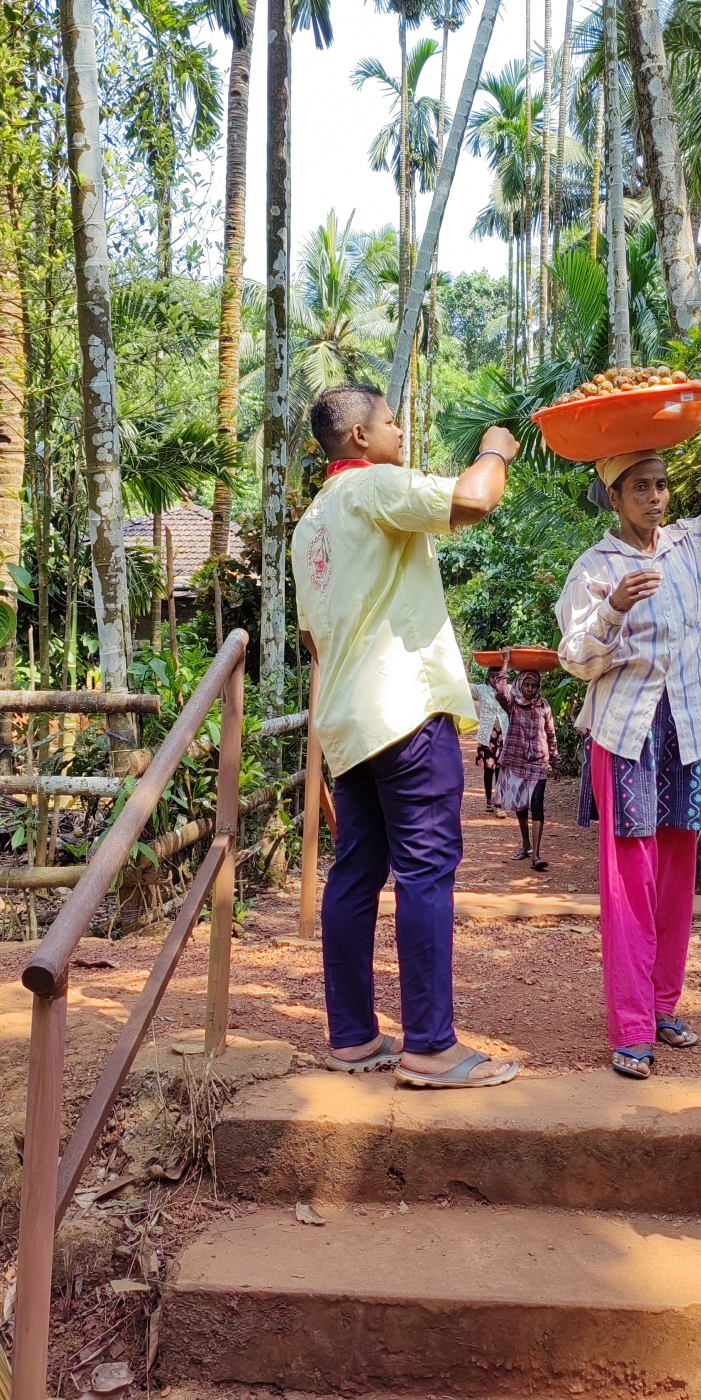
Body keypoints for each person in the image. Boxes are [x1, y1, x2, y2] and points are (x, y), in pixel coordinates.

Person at [290, 384, 521, 1089]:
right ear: (359, 437)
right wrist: (495, 447)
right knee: (425, 868)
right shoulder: (376, 487)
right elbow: (477, 498)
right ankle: (430, 1045)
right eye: (390, 422)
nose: (400, 431)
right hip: (404, 710)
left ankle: (354, 1037)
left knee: (357, 869)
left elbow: (310, 637)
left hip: (348, 719)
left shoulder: (310, 526)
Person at [555, 390, 701, 1078]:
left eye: (660, 485)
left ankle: (661, 1005)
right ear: (614, 498)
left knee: (678, 875)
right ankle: (628, 1030)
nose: (655, 498)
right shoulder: (595, 568)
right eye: (639, 488)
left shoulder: (691, 543)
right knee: (630, 881)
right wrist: (614, 611)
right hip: (625, 735)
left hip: (688, 727)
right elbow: (575, 659)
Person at [493, 656, 560, 868]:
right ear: (520, 684)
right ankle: (526, 844)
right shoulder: (513, 703)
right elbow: (500, 692)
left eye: (535, 685)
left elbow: (550, 734)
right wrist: (505, 663)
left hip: (539, 762)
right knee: (521, 805)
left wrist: (556, 761)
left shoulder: (544, 706)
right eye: (527, 685)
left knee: (536, 803)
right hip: (516, 760)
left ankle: (536, 856)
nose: (531, 689)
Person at [471, 667, 508, 815]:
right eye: (492, 676)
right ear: (488, 677)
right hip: (488, 736)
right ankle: (488, 800)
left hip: (503, 735)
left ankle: (498, 803)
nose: (494, 679)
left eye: (497, 677)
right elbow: (465, 686)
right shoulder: (481, 690)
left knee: (500, 769)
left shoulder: (508, 690)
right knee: (488, 769)